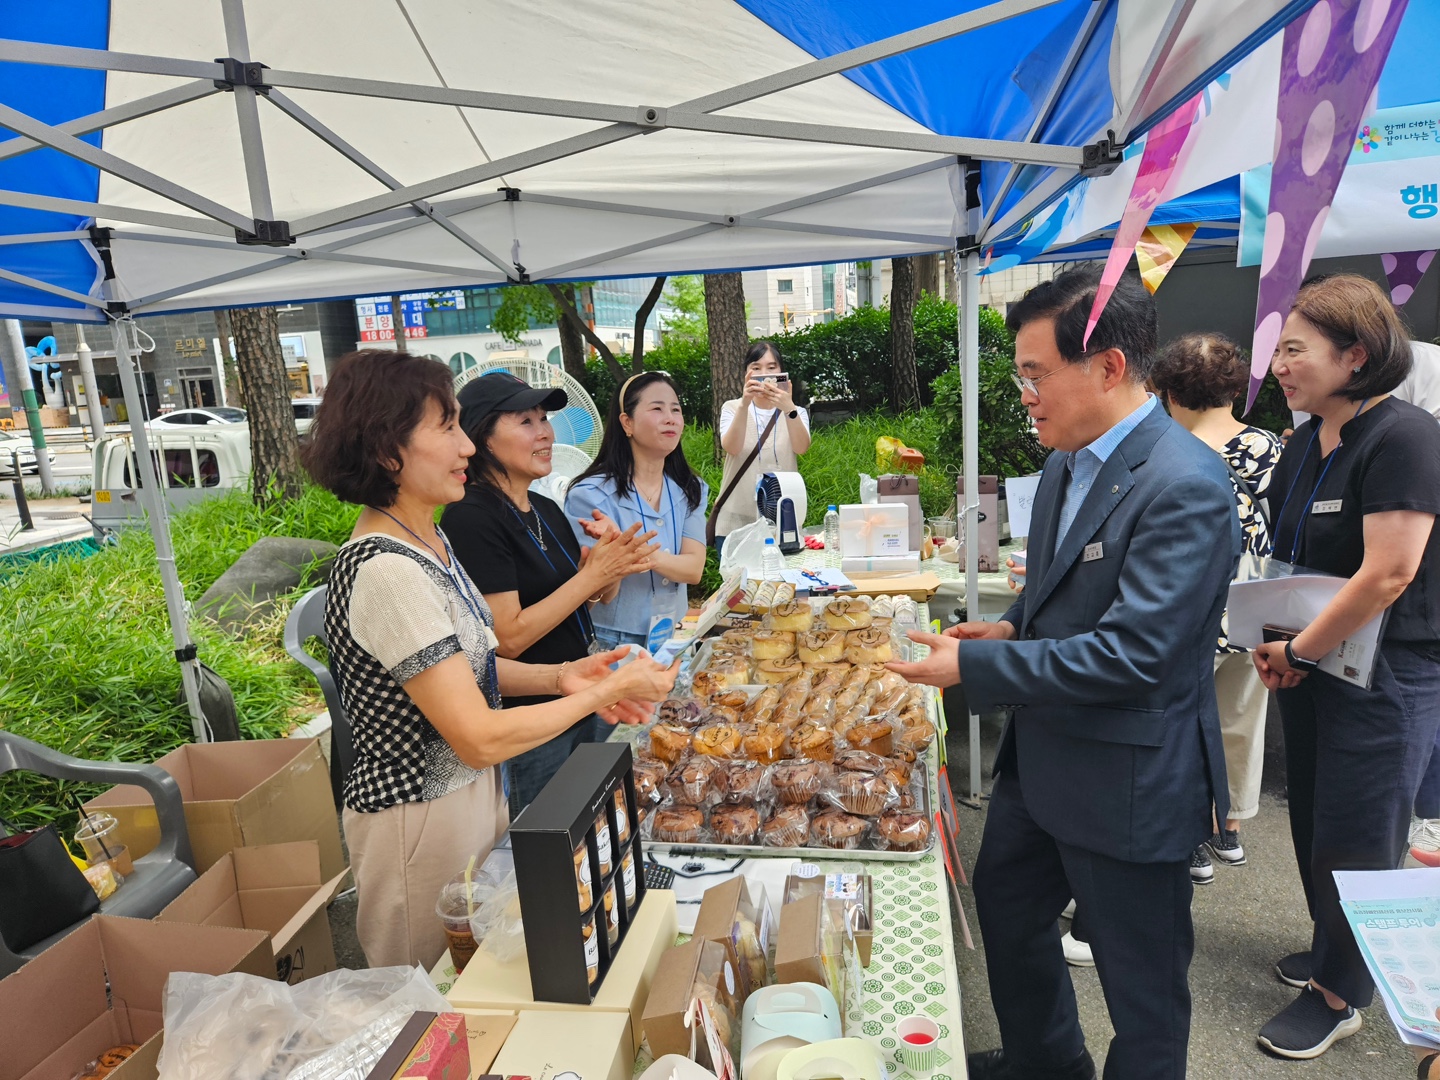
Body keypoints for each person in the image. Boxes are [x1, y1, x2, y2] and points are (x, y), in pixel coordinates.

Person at [888, 265, 1240, 1080]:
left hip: (1127, 778)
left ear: (1110, 367)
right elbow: (1056, 590)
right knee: (1009, 911)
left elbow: (1136, 652)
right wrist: (1011, 625)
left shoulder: (1185, 483)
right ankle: (1045, 1062)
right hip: (1044, 759)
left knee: (1141, 984)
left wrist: (978, 663)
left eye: (1036, 374)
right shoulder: (1064, 463)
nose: (1026, 395)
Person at [301, 350, 677, 969]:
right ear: (388, 450)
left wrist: (562, 676)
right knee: (438, 994)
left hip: (474, 797)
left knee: (491, 972)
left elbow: (466, 666)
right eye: (447, 427)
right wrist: (601, 693)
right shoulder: (387, 571)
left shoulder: (428, 540)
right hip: (420, 818)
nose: (466, 447)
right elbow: (475, 735)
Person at [1249, 274, 1440, 1059]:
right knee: (1315, 817)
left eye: (1295, 349)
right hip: (1315, 660)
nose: (1279, 366)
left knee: (1361, 831)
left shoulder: (1405, 437)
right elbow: (1291, 559)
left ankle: (1340, 994)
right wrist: (1278, 642)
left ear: (1355, 354)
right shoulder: (1303, 442)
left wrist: (1300, 648)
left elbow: (1389, 572)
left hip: (1388, 672)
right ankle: (1334, 945)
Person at [440, 372, 660, 813]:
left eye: (544, 419)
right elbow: (508, 638)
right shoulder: (471, 517)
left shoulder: (543, 507)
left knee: (596, 821)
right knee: (550, 830)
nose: (545, 433)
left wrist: (609, 565)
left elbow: (594, 599)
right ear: (482, 437)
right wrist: (591, 576)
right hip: (533, 717)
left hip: (583, 692)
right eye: (525, 421)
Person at [1150, 333, 1284, 881]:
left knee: (1180, 728)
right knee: (1241, 723)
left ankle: (1188, 840)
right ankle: (1229, 828)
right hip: (1257, 607)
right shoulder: (1270, 446)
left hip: (1192, 612)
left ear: (1168, 391)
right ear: (1234, 389)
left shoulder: (1168, 451)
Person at [566, 372, 709, 650]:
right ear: (627, 422)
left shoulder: (690, 489)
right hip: (613, 642)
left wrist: (631, 549)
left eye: (676, 409)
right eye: (657, 408)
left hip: (676, 635)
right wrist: (627, 555)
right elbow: (600, 591)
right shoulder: (589, 495)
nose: (670, 418)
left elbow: (693, 569)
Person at [712, 341, 811, 552]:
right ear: (746, 374)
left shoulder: (796, 412)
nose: (764, 374)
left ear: (782, 372)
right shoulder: (732, 408)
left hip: (782, 521)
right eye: (756, 368)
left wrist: (789, 408)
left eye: (771, 367)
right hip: (735, 522)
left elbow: (801, 447)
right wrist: (744, 403)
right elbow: (731, 447)